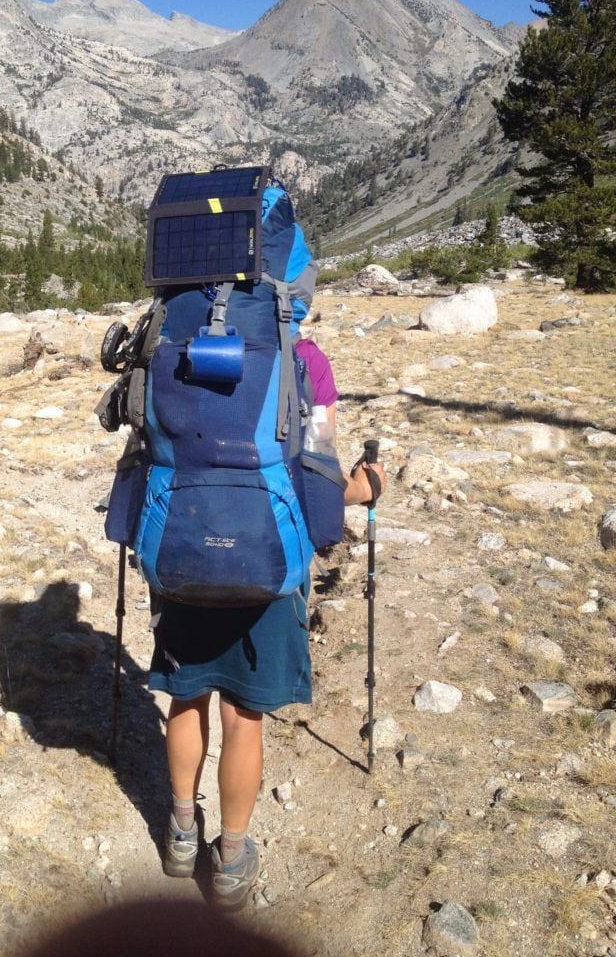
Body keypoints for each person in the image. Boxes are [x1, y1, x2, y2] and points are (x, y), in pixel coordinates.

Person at [148, 333, 386, 912]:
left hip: (182, 549)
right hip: (265, 558)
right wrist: (368, 485)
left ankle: (181, 837)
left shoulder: (171, 344)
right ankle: (230, 859)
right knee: (242, 713)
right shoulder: (302, 358)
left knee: (185, 697)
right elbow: (321, 473)